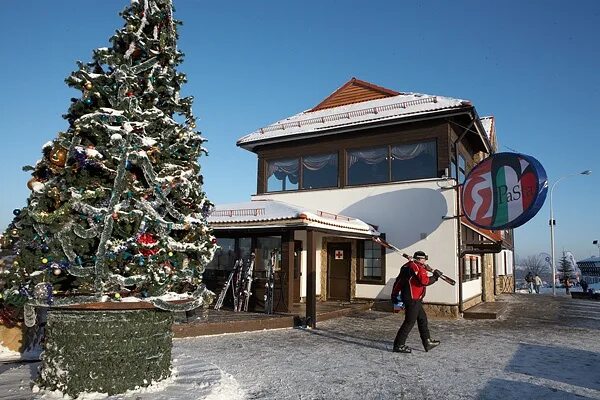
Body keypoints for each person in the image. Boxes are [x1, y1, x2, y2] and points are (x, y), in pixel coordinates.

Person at [392, 251, 442, 354]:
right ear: (420, 259)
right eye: (424, 259)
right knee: (409, 322)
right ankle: (398, 345)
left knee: (422, 319)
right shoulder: (417, 267)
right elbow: (424, 281)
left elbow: (399, 281)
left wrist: (395, 294)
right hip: (412, 299)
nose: (425, 261)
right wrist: (435, 277)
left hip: (414, 299)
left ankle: (427, 341)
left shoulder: (406, 266)